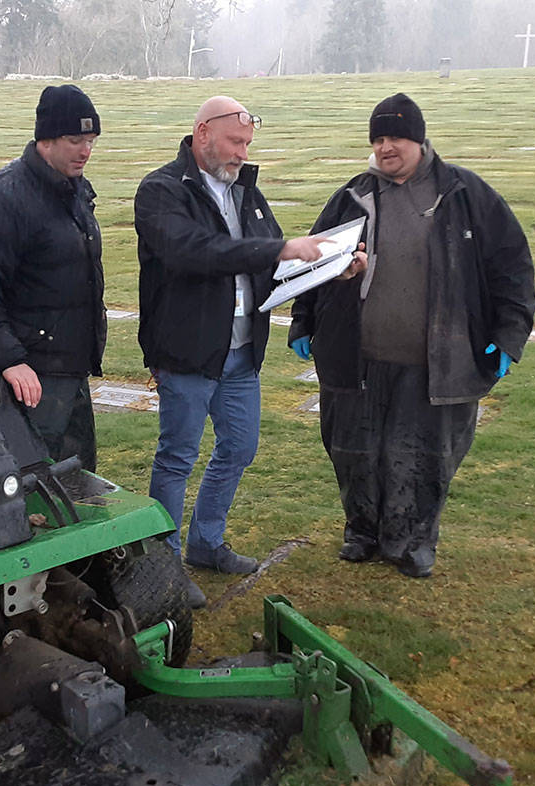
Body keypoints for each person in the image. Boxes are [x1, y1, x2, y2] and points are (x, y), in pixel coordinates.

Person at [287, 93, 535, 578]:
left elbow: (513, 269)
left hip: (436, 362)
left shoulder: (465, 194)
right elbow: (314, 263)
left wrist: (509, 337)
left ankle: (413, 542)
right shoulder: (352, 196)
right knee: (353, 451)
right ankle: (362, 532)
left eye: (396, 137)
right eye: (378, 138)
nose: (386, 147)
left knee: (423, 456)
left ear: (420, 140)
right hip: (357, 359)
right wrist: (303, 320)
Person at [134, 95, 327, 607]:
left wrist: (328, 269)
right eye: (235, 142)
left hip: (241, 353)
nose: (243, 153)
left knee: (239, 447)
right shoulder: (161, 190)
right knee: (177, 458)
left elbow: (274, 260)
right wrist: (277, 249)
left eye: (247, 144)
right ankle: (164, 567)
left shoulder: (247, 192)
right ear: (202, 133)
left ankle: (206, 542)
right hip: (188, 352)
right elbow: (193, 252)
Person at [0, 84, 106, 471]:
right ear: (46, 139)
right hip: (30, 375)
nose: (85, 151)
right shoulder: (1, 198)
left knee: (78, 479)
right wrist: (9, 361)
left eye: (91, 140)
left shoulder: (75, 191)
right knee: (30, 480)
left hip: (71, 367)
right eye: (75, 140)